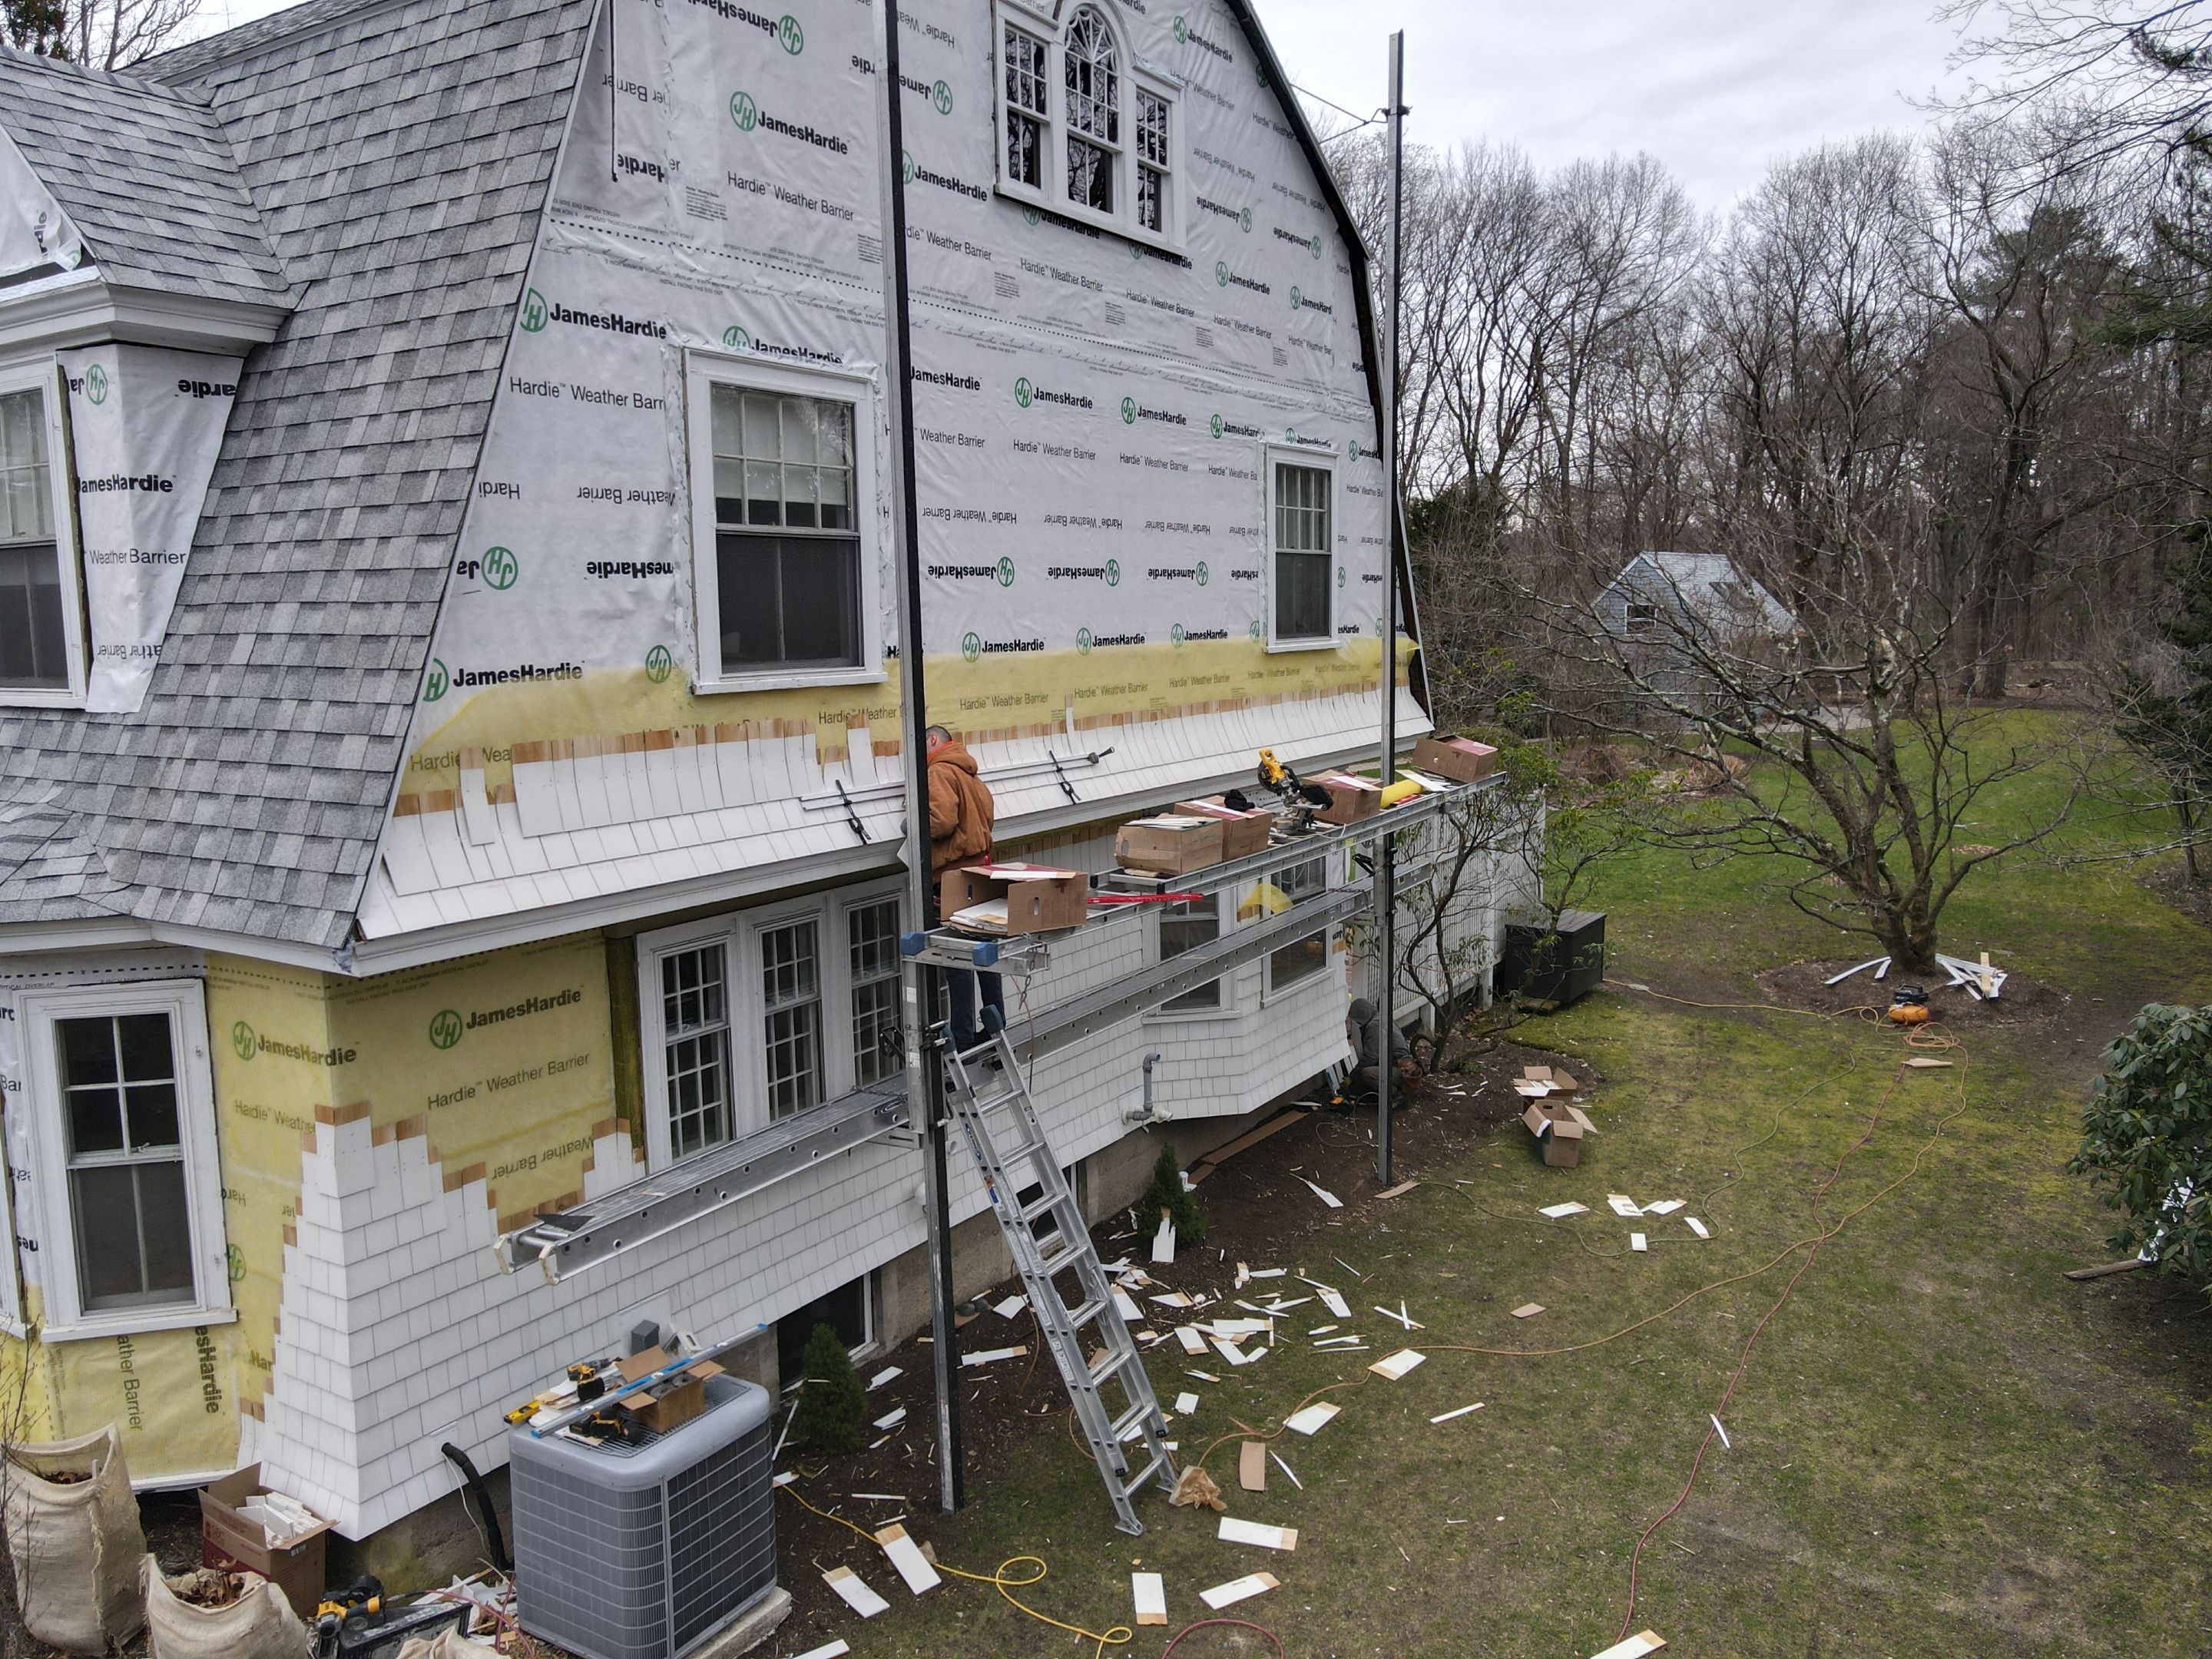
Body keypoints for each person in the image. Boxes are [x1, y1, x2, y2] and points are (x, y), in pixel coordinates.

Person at [926, 724, 1005, 1051]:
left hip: (952, 882)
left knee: (957, 959)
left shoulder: (939, 772)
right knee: (985, 958)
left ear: (932, 741)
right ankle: (996, 1031)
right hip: (979, 876)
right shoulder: (972, 777)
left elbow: (941, 820)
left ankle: (962, 1038)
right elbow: (988, 819)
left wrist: (914, 823)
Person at [1346, 996, 1419, 1101]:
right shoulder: (1382, 1018)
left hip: (1401, 1071)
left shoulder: (1374, 1026)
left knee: (1368, 1074)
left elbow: (1370, 1059)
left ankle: (1396, 1094)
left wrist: (1352, 1077)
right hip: (1406, 1067)